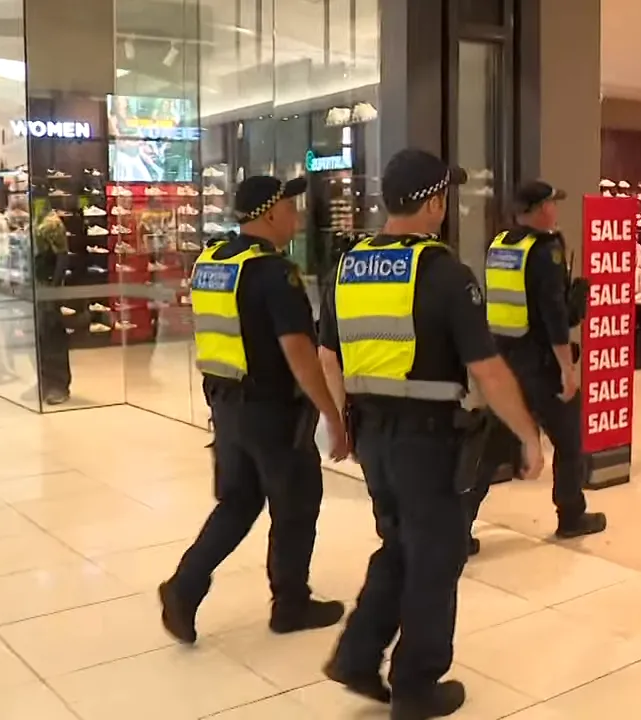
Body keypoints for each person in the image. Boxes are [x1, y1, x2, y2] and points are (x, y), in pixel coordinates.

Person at [317, 148, 544, 720]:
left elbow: (327, 353)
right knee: (436, 557)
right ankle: (417, 686)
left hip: (372, 437)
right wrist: (529, 436)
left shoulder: (350, 263)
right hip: (426, 444)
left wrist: (340, 420)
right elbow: (489, 371)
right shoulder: (444, 273)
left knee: (400, 544)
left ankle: (357, 654)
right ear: (433, 203)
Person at [158, 175, 350, 645]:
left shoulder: (215, 260)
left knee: (239, 502)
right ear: (268, 215)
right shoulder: (272, 273)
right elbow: (299, 353)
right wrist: (332, 414)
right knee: (297, 504)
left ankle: (184, 586)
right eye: (290, 207)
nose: (296, 216)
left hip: (226, 406)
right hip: (272, 413)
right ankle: (290, 604)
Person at [464, 180, 607, 553]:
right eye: (551, 204)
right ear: (540, 209)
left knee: (495, 443)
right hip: (542, 364)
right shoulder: (545, 251)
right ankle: (571, 515)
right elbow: (554, 318)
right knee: (569, 440)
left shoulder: (499, 245)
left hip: (506, 362)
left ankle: (459, 525)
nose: (555, 210)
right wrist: (568, 369)